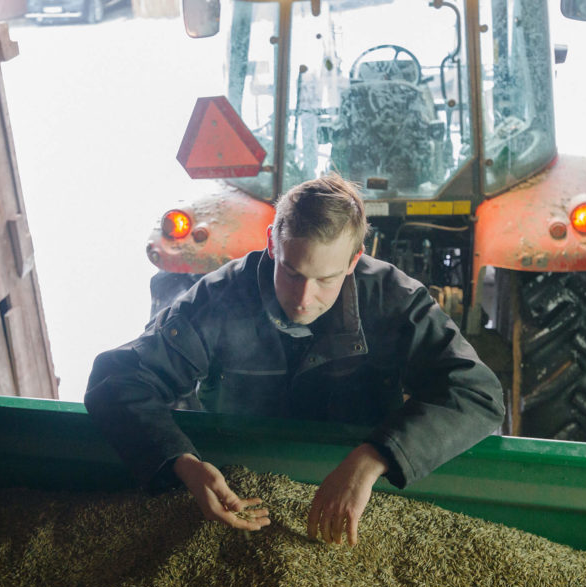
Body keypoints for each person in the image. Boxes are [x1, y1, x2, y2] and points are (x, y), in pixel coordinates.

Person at [85, 174, 504, 546]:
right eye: (291, 272)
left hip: (367, 498)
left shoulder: (394, 300)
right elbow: (117, 380)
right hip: (242, 486)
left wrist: (371, 459)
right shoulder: (219, 298)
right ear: (271, 243)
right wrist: (183, 463)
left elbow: (476, 393)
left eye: (325, 279)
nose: (304, 300)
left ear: (355, 259)